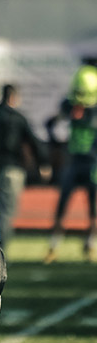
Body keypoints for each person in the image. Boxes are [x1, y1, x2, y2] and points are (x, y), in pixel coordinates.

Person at [0, 84, 50, 252]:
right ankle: (0, 251)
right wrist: (43, 163)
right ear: (14, 97)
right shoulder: (17, 118)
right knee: (6, 212)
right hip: (11, 169)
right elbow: (33, 142)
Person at [45, 64, 97, 263]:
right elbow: (52, 123)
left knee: (92, 208)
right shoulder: (69, 106)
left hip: (92, 161)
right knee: (62, 204)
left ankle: (90, 245)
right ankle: (54, 245)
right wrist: (57, 142)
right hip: (73, 159)